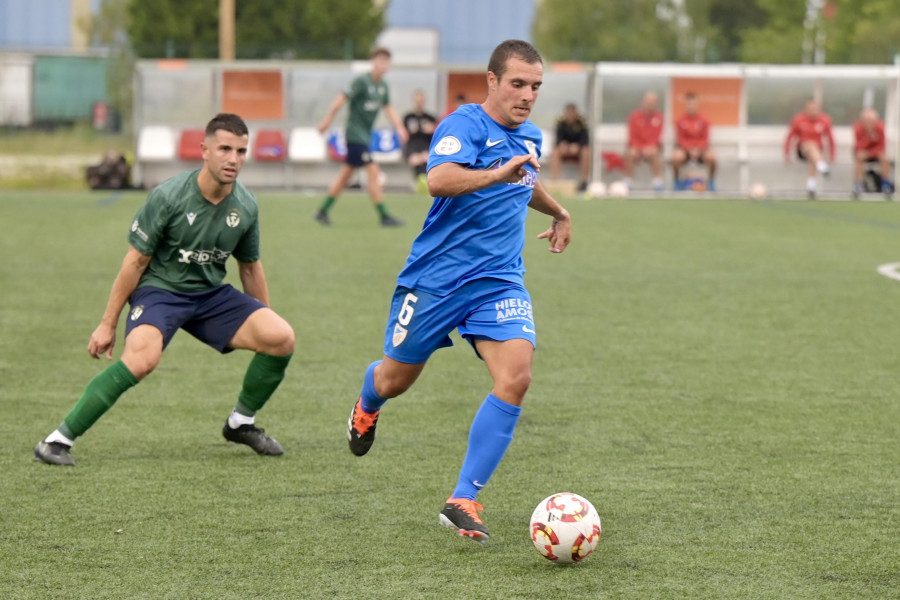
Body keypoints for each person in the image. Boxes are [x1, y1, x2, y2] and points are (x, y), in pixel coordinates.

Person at [345, 39, 572, 542]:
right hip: (436, 279)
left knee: (516, 375)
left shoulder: (529, 133)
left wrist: (557, 210)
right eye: (517, 83)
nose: (527, 95)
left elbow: (524, 180)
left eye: (535, 86)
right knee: (395, 379)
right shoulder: (463, 124)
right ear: (492, 81)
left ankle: (463, 497)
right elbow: (440, 179)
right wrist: (496, 173)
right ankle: (368, 401)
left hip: (498, 281)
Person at [33, 113, 295, 466]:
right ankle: (56, 440)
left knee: (281, 338)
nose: (234, 159)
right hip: (160, 291)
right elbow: (135, 263)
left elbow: (249, 266)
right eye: (225, 149)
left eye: (241, 151)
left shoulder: (246, 205)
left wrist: (265, 314)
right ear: (204, 150)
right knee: (142, 360)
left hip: (209, 294)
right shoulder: (169, 197)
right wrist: (108, 323)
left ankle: (240, 423)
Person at [315, 47, 409, 227]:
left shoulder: (383, 86)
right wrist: (327, 120)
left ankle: (322, 211)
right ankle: (384, 216)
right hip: (354, 135)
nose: (383, 65)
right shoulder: (361, 82)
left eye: (386, 62)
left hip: (365, 137)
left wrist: (399, 127)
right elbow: (341, 99)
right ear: (373, 62)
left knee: (345, 175)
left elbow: (388, 108)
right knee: (373, 170)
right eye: (380, 61)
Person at [784, 98, 834, 199]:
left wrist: (832, 154)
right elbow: (789, 137)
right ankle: (822, 166)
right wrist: (787, 154)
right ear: (806, 110)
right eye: (810, 109)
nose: (813, 112)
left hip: (817, 152)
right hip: (802, 150)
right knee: (809, 145)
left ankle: (811, 186)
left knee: (813, 156)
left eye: (815, 109)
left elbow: (830, 138)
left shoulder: (824, 120)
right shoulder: (798, 120)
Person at [671, 92, 717, 191]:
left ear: (697, 104)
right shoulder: (680, 120)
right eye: (689, 104)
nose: (691, 106)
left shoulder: (704, 119)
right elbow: (680, 139)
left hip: (701, 150)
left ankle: (711, 181)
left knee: (712, 157)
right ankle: (676, 182)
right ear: (685, 104)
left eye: (693, 103)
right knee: (676, 157)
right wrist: (690, 149)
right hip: (685, 150)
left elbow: (705, 139)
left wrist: (698, 149)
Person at [624, 91, 664, 192]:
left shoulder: (659, 117)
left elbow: (657, 136)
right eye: (648, 101)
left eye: (653, 102)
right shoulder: (635, 116)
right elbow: (632, 136)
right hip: (637, 148)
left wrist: (650, 147)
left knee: (655, 152)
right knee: (631, 153)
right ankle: (628, 181)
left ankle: (657, 182)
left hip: (651, 149)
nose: (650, 104)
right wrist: (640, 148)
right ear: (643, 102)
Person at [549, 103, 590, 192]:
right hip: (565, 150)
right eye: (568, 113)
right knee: (555, 151)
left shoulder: (582, 123)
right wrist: (563, 145)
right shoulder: (561, 123)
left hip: (578, 150)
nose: (570, 115)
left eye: (572, 113)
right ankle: (554, 181)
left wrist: (577, 146)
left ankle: (584, 181)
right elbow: (558, 139)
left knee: (586, 151)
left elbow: (585, 140)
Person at [852, 107, 894, 198]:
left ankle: (885, 185)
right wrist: (869, 137)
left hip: (876, 153)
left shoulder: (880, 127)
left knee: (885, 159)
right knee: (859, 157)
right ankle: (857, 185)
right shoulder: (858, 128)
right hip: (863, 154)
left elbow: (882, 145)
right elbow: (858, 146)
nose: (869, 123)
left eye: (871, 120)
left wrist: (871, 152)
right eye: (866, 120)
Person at [402, 90, 438, 195]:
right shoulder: (408, 117)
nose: (419, 103)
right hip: (412, 147)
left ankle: (424, 182)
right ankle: (419, 182)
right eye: (417, 101)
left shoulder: (430, 117)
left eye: (421, 101)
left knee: (426, 158)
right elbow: (404, 135)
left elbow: (436, 136)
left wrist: (432, 129)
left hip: (426, 146)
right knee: (415, 159)